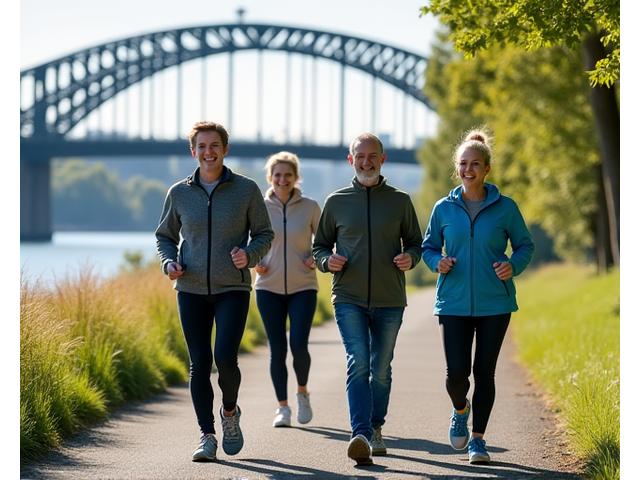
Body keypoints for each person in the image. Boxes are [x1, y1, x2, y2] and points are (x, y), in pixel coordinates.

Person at [155, 121, 274, 462]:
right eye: (202, 146)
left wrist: (248, 255)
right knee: (199, 364)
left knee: (224, 357)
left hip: (232, 288)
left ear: (225, 149)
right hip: (190, 288)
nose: (209, 152)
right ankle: (207, 435)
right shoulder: (179, 193)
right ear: (193, 151)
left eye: (215, 146)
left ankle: (230, 412)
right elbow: (165, 236)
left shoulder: (246, 190)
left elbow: (265, 233)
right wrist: (168, 263)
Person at [421, 128, 534, 464]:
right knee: (456, 374)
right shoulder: (443, 208)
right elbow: (428, 247)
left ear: (487, 169)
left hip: (494, 303)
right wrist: (436, 262)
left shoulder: (506, 208)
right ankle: (460, 409)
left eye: (475, 164)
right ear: (458, 169)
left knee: (484, 372)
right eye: (463, 164)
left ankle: (478, 440)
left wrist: (513, 266)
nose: (468, 169)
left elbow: (525, 245)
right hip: (453, 302)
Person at [313, 133, 423, 466]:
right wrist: (325, 262)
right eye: (360, 156)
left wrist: (411, 258)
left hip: (390, 299)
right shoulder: (336, 201)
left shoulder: (400, 201)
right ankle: (360, 433)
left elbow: (417, 244)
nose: (366, 162)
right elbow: (319, 247)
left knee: (382, 369)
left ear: (383, 158)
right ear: (351, 160)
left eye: (372, 156)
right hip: (348, 297)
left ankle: (376, 428)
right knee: (358, 361)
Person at [254, 151, 322, 428]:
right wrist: (255, 259)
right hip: (267, 286)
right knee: (277, 349)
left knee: (298, 345)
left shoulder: (310, 207)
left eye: (288, 175)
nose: (282, 180)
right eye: (277, 175)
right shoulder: (258, 207)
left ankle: (302, 392)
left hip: (303, 286)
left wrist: (315, 259)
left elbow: (327, 242)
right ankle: (282, 408)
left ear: (296, 178)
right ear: (270, 178)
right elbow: (247, 240)